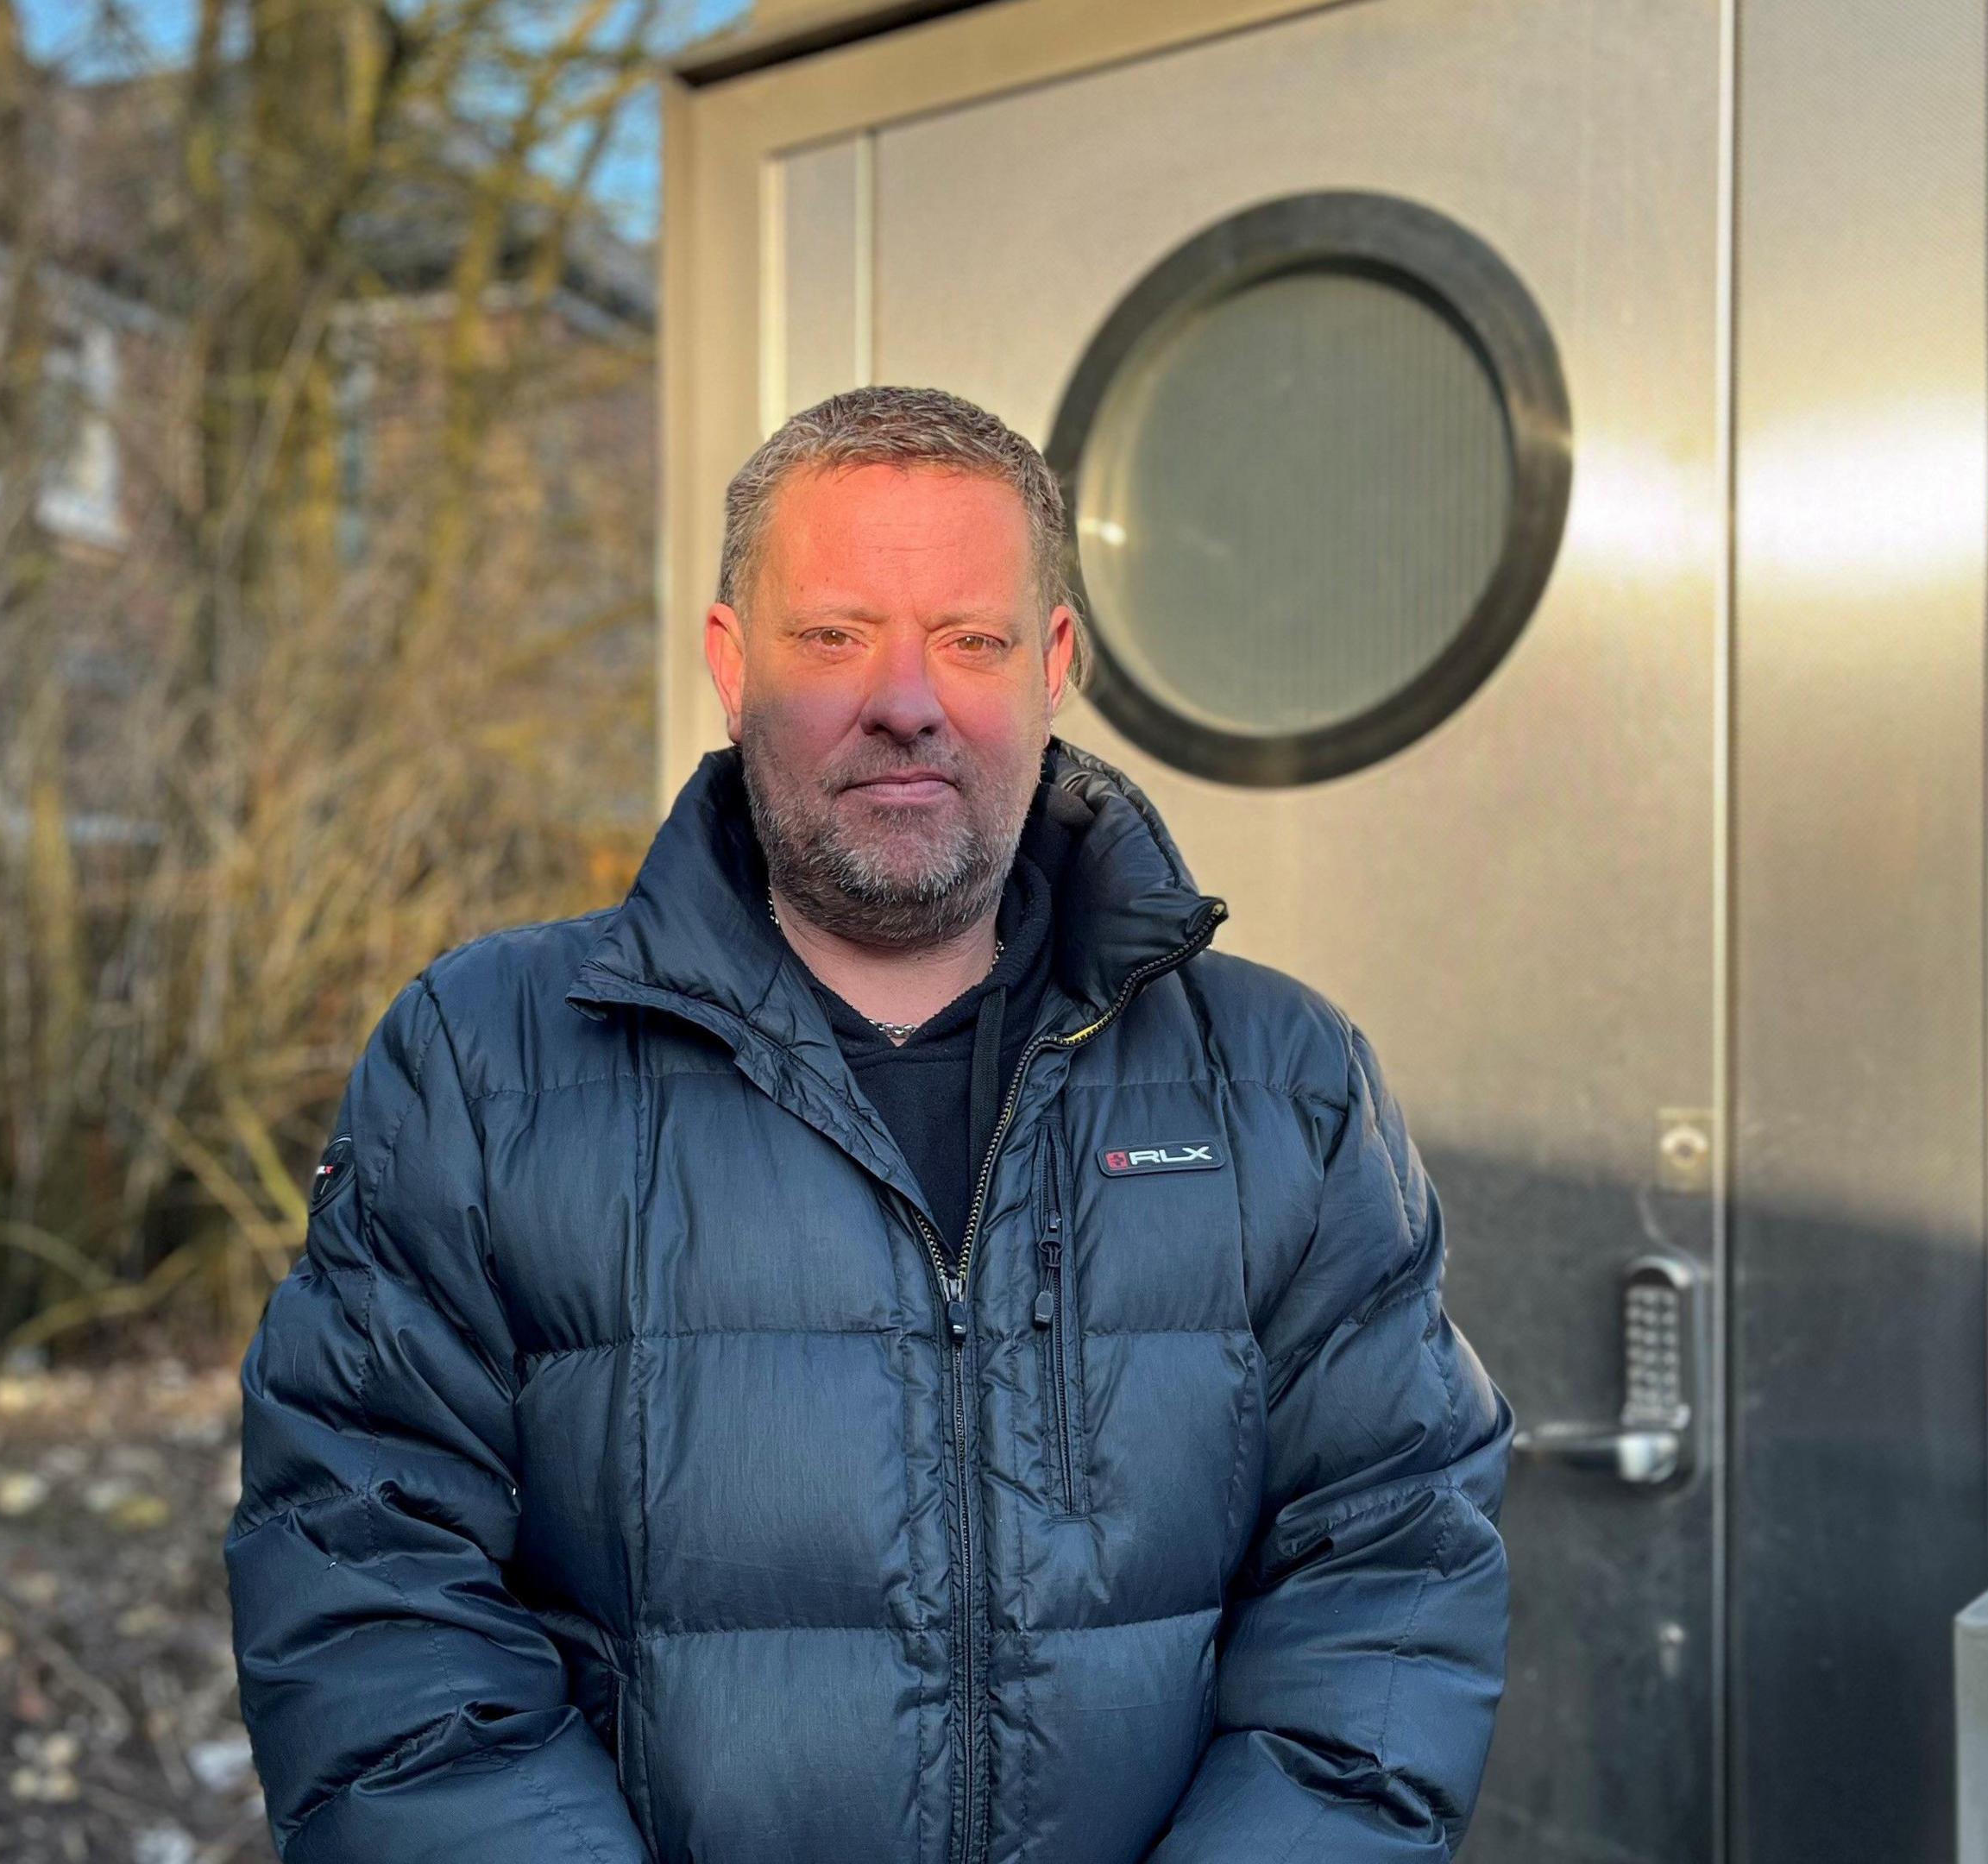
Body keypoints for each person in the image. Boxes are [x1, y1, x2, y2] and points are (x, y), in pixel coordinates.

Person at [226, 386, 1513, 1863]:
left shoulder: (1281, 1084)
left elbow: (1394, 1567)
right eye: (833, 636)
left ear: (1053, 669)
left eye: (967, 641)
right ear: (730, 661)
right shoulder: (483, 1064)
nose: (904, 699)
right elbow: (366, 1582)